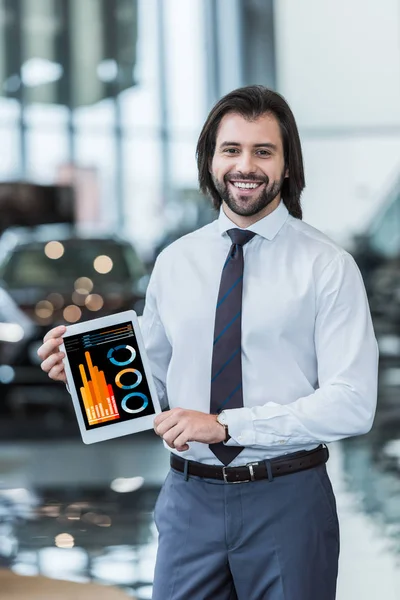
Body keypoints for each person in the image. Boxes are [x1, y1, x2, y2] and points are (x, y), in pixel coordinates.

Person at [37, 85, 379, 600]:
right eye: (231, 150)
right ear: (211, 162)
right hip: (188, 500)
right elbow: (149, 381)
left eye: (263, 151)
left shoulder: (327, 266)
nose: (247, 165)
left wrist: (225, 426)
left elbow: (353, 404)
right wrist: (84, 374)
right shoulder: (176, 262)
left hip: (287, 499)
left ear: (287, 166)